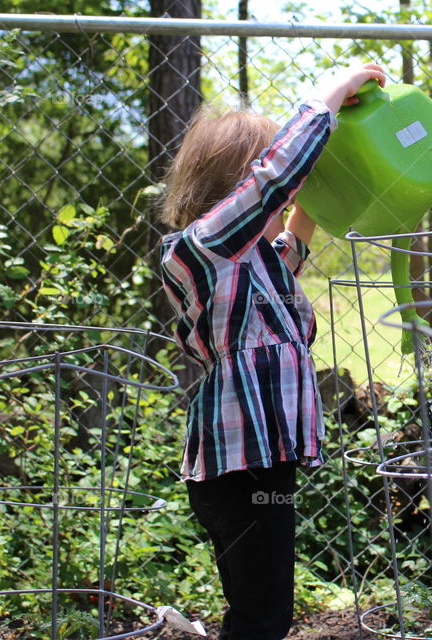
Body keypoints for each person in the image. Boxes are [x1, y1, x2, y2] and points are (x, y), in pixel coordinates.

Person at [157, 62, 386, 640]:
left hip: (260, 461)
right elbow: (274, 182)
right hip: (239, 467)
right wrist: (329, 95)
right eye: (275, 192)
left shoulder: (257, 264)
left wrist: (329, 165)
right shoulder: (201, 249)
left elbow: (298, 230)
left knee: (258, 607)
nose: (285, 199)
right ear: (236, 188)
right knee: (264, 616)